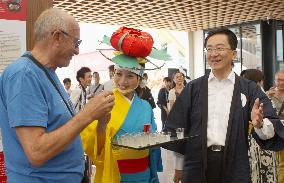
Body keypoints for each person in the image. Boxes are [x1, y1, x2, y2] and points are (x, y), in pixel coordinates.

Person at [0, 8, 115, 183]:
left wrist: (99, 120)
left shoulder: (46, 72)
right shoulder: (24, 75)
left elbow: (59, 128)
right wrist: (88, 114)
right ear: (57, 37)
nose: (77, 51)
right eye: (76, 43)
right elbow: (36, 152)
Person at [164, 28, 284, 183]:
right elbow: (180, 128)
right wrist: (179, 166)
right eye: (210, 49)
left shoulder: (249, 89)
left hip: (235, 163)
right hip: (196, 163)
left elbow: (270, 126)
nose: (214, 54)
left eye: (220, 48)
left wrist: (260, 124)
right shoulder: (194, 88)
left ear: (234, 54)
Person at [80, 26, 163, 183]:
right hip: (114, 173)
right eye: (118, 74)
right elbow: (91, 144)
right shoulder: (103, 102)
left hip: (143, 174)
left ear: (140, 79)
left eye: (130, 76)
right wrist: (101, 127)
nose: (122, 82)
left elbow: (152, 142)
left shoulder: (145, 106)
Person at [242, 69, 278, 183]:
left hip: (254, 140)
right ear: (260, 81)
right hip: (263, 140)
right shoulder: (263, 97)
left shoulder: (247, 95)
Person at [266, 71, 284, 183]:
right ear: (275, 80)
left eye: (283, 80)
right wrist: (267, 97)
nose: (281, 83)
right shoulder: (268, 94)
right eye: (279, 80)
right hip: (272, 132)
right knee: (273, 161)